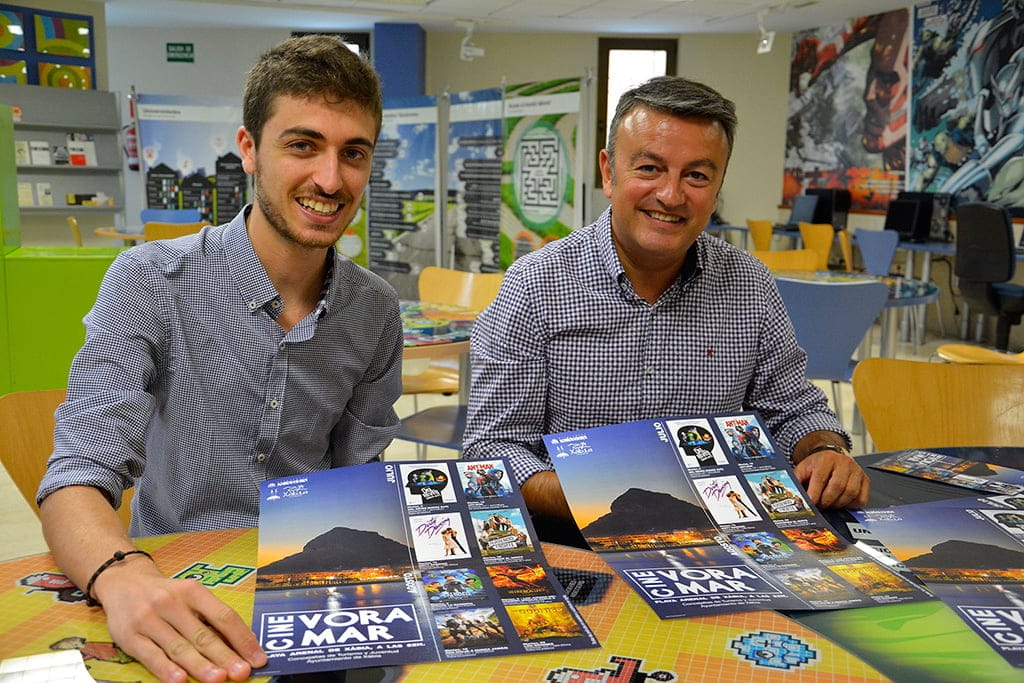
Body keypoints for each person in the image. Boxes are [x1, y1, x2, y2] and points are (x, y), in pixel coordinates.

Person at [36, 35, 402, 683]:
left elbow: (356, 484)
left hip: (312, 599)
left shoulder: (373, 310)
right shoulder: (149, 280)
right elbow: (75, 479)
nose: (330, 178)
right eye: (302, 145)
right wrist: (122, 578)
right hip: (166, 589)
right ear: (249, 148)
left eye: (354, 153)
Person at [462, 76, 869, 546]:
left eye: (696, 175)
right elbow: (492, 451)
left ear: (717, 187)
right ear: (609, 172)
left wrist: (825, 449)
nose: (672, 195)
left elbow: (792, 407)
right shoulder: (535, 286)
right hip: (578, 540)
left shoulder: (750, 284)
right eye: (650, 168)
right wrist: (615, 501)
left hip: (720, 537)